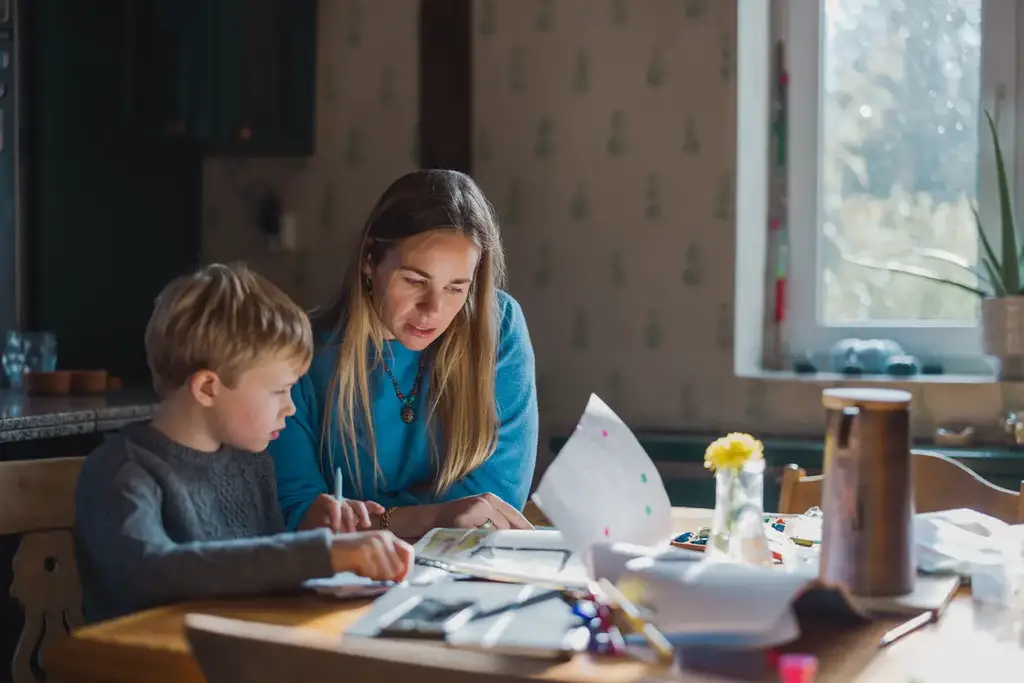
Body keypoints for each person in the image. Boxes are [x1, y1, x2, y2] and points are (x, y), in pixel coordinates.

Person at [74, 263, 414, 624]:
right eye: (279, 391)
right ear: (207, 388)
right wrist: (323, 553)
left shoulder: (252, 464)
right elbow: (150, 573)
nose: (291, 407)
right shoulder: (121, 472)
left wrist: (314, 536)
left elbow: (261, 576)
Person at [268, 169, 539, 539]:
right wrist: (431, 516)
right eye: (414, 281)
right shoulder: (300, 354)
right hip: (345, 579)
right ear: (369, 259)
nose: (433, 309)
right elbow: (298, 513)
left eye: (456, 288)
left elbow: (495, 502)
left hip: (467, 570)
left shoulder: (498, 327)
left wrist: (372, 517)